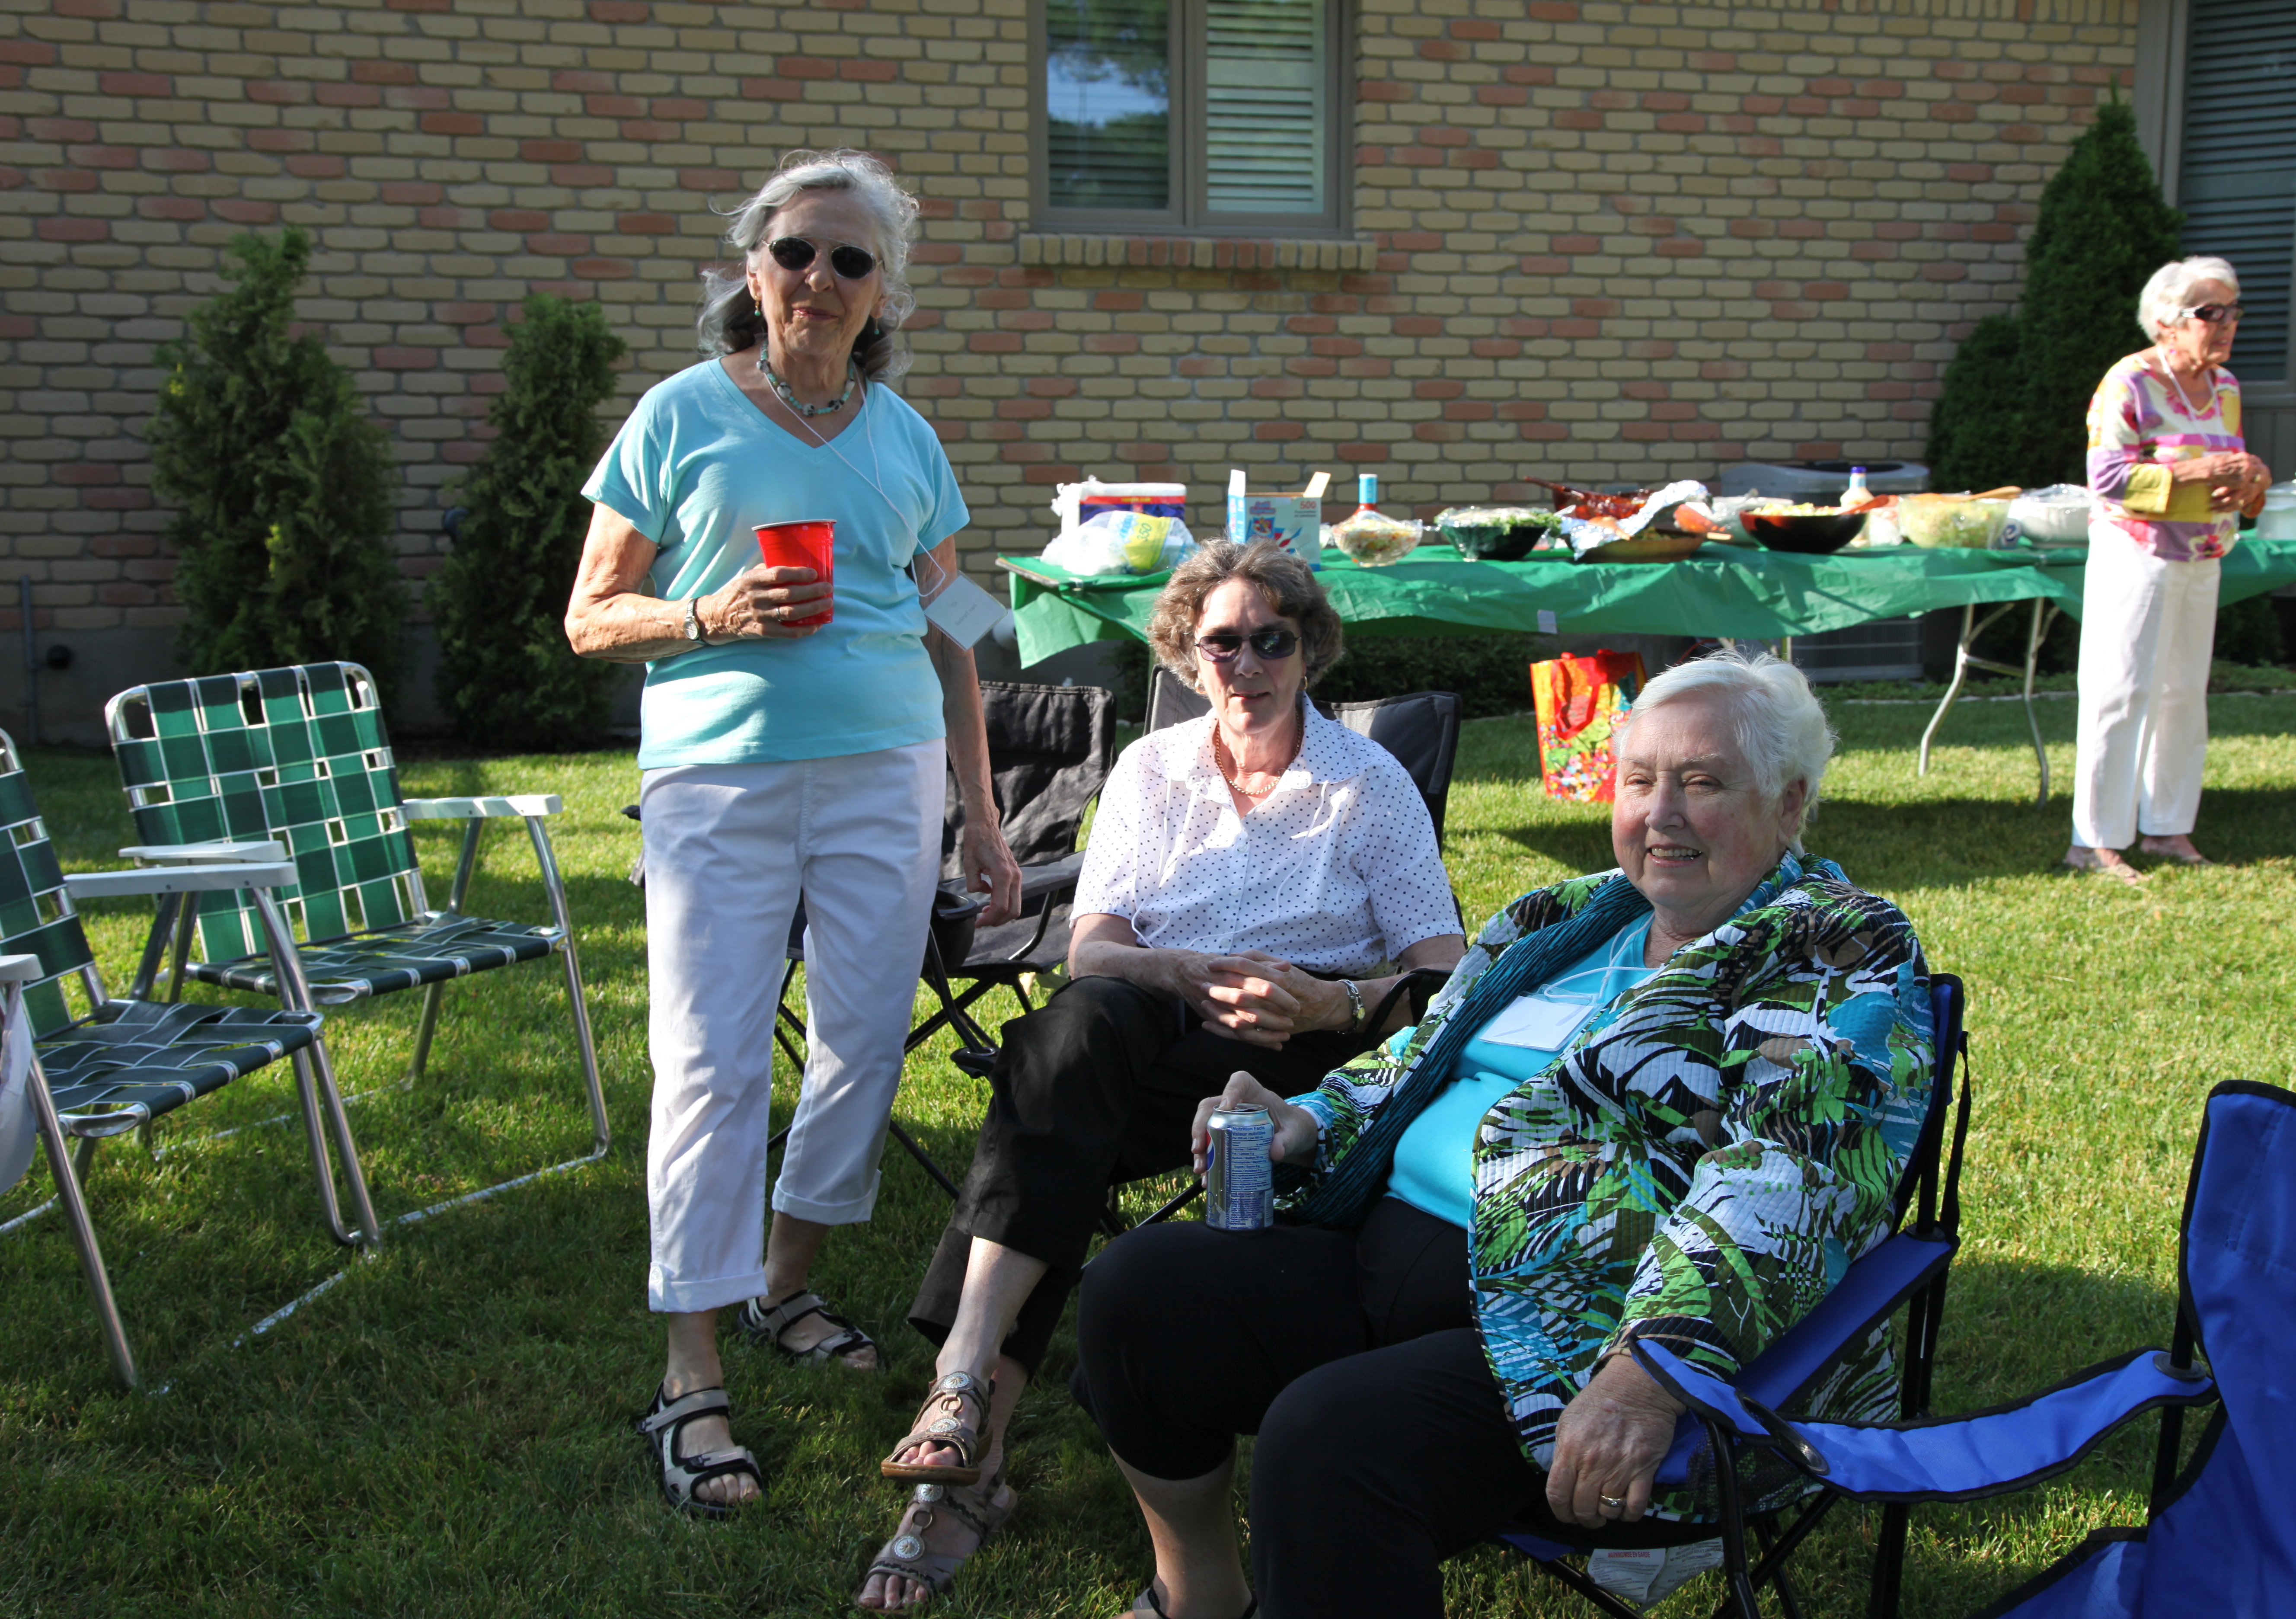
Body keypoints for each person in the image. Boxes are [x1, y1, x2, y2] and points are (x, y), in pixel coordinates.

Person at [1071, 648, 1936, 1619]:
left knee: (1332, 1440)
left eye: (1703, 784)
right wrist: (1304, 1118)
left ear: (1789, 805)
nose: (1662, 814)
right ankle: (1201, 1594)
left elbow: (1787, 1181)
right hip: (1389, 1266)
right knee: (1135, 1292)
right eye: (1641, 780)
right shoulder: (1561, 917)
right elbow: (1415, 1059)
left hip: (1580, 1330)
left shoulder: (1833, 947)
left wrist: (1651, 1373)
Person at [857, 539, 1468, 1612]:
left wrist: (1331, 1002)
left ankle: (962, 1450)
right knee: (1079, 1029)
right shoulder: (1152, 770)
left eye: (1269, 640)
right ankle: (967, 1392)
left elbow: (1447, 975)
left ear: (1308, 651)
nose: (1246, 664)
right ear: (1190, 659)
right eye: (1220, 642)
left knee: (1047, 1106)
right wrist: (1174, 969)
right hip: (1151, 1023)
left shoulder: (1366, 787)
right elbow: (1090, 945)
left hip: (1296, 1051)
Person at [562, 148, 1021, 1517]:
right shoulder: (680, 415)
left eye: (851, 260)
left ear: (884, 295)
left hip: (888, 774)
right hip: (723, 778)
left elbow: (957, 637)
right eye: (796, 254)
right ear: (752, 273)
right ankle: (690, 1370)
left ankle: (785, 1285)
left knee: (866, 1042)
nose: (820, 280)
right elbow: (590, 615)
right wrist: (708, 616)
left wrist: (985, 814)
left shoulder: (906, 438)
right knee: (708, 1064)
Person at [2066, 256, 2273, 883]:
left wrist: (2254, 478)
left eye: (2233, 310)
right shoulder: (2129, 381)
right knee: (2119, 690)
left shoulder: (2227, 387)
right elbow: (2105, 478)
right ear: (2166, 322)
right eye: (2212, 312)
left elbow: (2234, 468)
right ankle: (2094, 842)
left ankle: (2168, 828)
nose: (2227, 323)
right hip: (2136, 553)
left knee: (2184, 694)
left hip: (2202, 554)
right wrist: (2193, 471)